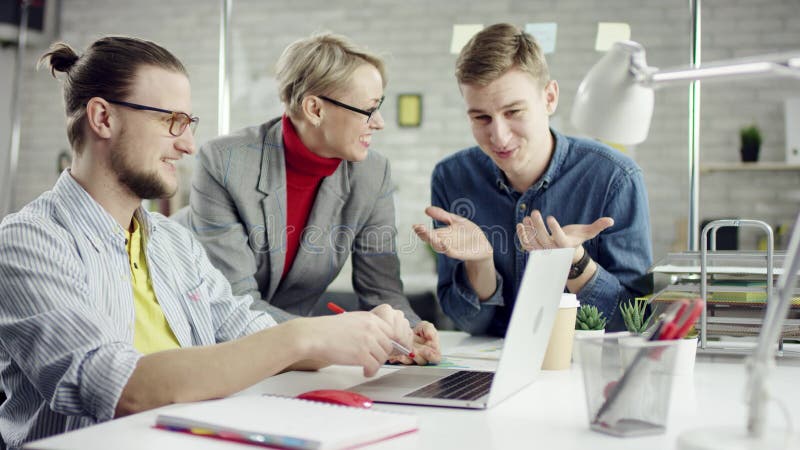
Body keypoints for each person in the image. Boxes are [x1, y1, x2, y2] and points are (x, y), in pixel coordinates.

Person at [0, 37, 414, 448]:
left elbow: (248, 332)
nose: (187, 144)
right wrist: (302, 337)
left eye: (188, 124)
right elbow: (119, 387)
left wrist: (359, 332)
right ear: (103, 118)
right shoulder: (29, 242)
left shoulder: (173, 242)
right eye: (171, 122)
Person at [180, 32, 440, 364]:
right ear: (314, 109)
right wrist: (329, 337)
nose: (379, 123)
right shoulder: (224, 162)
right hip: (206, 346)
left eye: (380, 107)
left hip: (292, 358)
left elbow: (382, 292)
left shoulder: (372, 173)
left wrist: (408, 332)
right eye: (368, 110)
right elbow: (235, 304)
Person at [413, 23, 653, 336]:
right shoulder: (452, 178)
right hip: (488, 373)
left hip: (581, 371)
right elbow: (467, 322)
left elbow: (634, 321)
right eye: (481, 118)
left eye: (513, 112)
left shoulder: (615, 179)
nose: (498, 136)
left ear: (550, 97)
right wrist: (481, 263)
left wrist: (576, 264)